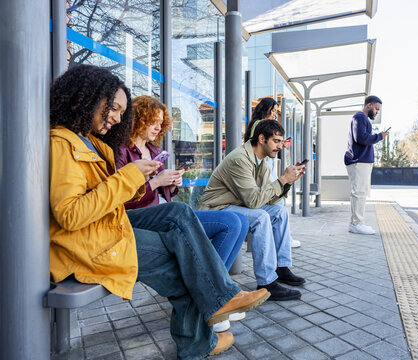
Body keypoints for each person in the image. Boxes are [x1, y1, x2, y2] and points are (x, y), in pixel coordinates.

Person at [49, 64, 269, 359]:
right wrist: (133, 177)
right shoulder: (63, 144)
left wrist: (142, 181)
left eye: (120, 112)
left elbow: (108, 197)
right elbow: (71, 214)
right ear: (85, 98)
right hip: (88, 241)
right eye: (113, 108)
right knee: (183, 258)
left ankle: (220, 300)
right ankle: (198, 338)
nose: (116, 118)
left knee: (178, 213)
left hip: (104, 227)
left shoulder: (90, 142)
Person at [116, 95, 249, 332]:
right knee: (192, 213)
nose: (158, 127)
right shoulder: (122, 150)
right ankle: (214, 301)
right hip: (143, 218)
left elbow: (166, 192)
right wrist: (155, 183)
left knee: (236, 222)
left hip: (164, 212)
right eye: (153, 121)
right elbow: (120, 198)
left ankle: (214, 296)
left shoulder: (154, 149)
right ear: (139, 119)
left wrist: (172, 182)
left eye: (161, 122)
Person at [197, 120, 306, 301]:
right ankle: (267, 282)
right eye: (276, 141)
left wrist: (287, 182)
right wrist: (282, 180)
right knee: (260, 217)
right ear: (262, 139)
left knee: (279, 211)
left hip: (235, 205)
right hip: (215, 209)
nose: (280, 146)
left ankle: (281, 267)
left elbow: (267, 198)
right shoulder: (240, 159)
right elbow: (254, 201)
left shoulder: (261, 162)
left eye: (281, 141)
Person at [244, 98, 300, 248]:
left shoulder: (256, 124)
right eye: (273, 110)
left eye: (276, 111)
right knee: (277, 201)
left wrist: (281, 143)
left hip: (267, 166)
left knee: (277, 203)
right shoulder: (259, 125)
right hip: (264, 167)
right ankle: (284, 239)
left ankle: (283, 239)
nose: (275, 114)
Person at [344, 95, 388, 235]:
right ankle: (356, 223)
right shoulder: (360, 117)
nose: (376, 112)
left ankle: (357, 222)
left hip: (362, 161)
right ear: (368, 105)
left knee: (361, 192)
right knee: (359, 192)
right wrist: (379, 136)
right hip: (359, 161)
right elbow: (361, 138)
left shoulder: (362, 119)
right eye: (376, 108)